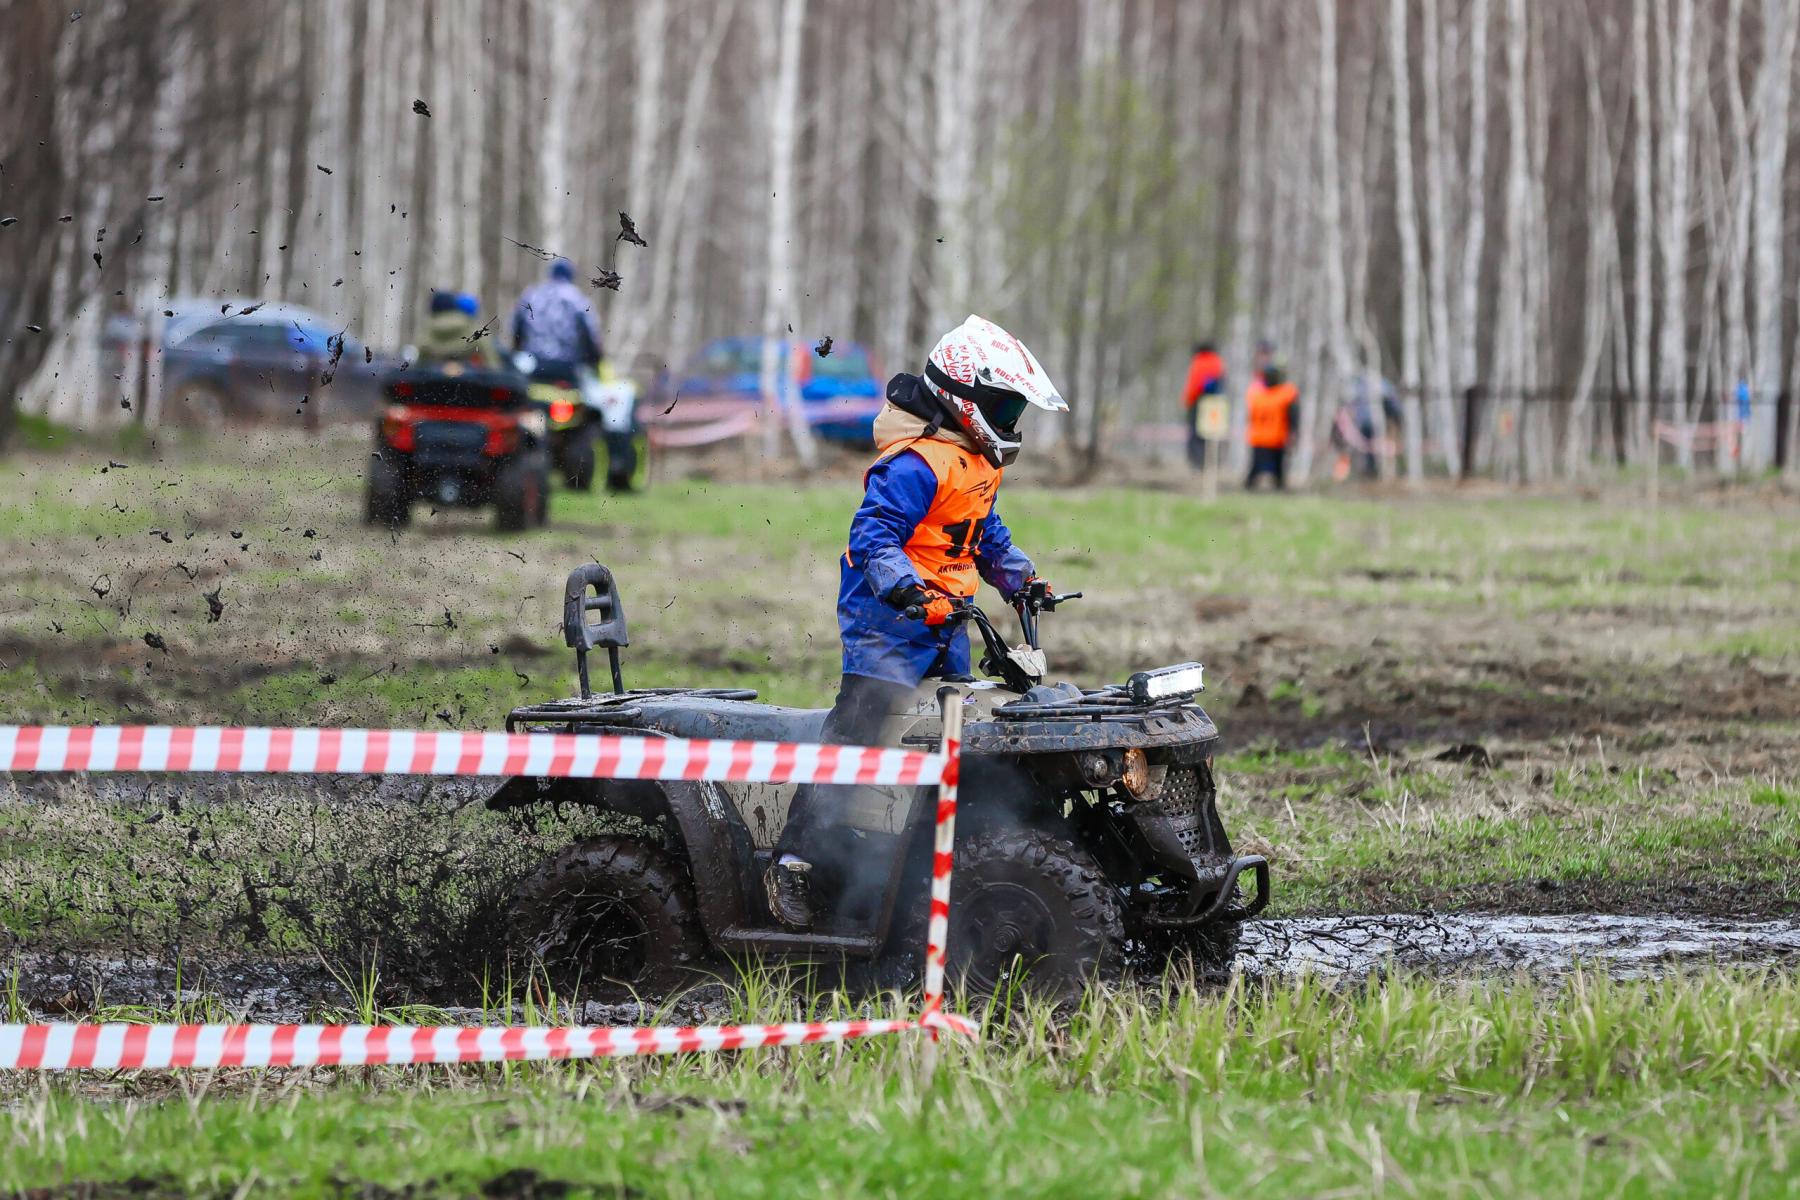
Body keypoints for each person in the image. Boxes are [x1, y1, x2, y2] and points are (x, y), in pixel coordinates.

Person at [765, 315, 1067, 927]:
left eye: (1016, 408)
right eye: (1005, 406)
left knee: (946, 733)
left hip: (948, 618)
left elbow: (985, 536)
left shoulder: (976, 461)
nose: (1012, 420)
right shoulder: (915, 463)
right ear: (965, 398)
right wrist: (903, 588)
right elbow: (872, 534)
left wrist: (1020, 578)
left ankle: (921, 856)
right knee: (859, 728)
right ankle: (794, 860)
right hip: (887, 621)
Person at [511, 259, 602, 368]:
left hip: (533, 363)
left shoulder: (532, 295)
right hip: (568, 365)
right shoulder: (577, 299)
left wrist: (516, 351)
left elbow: (516, 326)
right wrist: (595, 361)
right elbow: (590, 335)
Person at [1245, 364, 1299, 490]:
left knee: (1258, 467)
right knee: (1275, 467)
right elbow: (1293, 416)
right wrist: (1293, 432)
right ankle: (1277, 486)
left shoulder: (1255, 394)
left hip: (1261, 437)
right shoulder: (1285, 394)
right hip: (1275, 437)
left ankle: (1252, 486)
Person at [416, 290, 498, 367]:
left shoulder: (427, 331)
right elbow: (490, 362)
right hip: (471, 380)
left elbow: (420, 362)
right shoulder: (471, 328)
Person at [1180, 341, 1226, 469]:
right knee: (1212, 435)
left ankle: (1197, 463)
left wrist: (1188, 400)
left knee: (1197, 434)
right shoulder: (1218, 363)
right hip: (1215, 405)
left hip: (1198, 403)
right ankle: (1213, 462)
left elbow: (1194, 386)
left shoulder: (1199, 362)